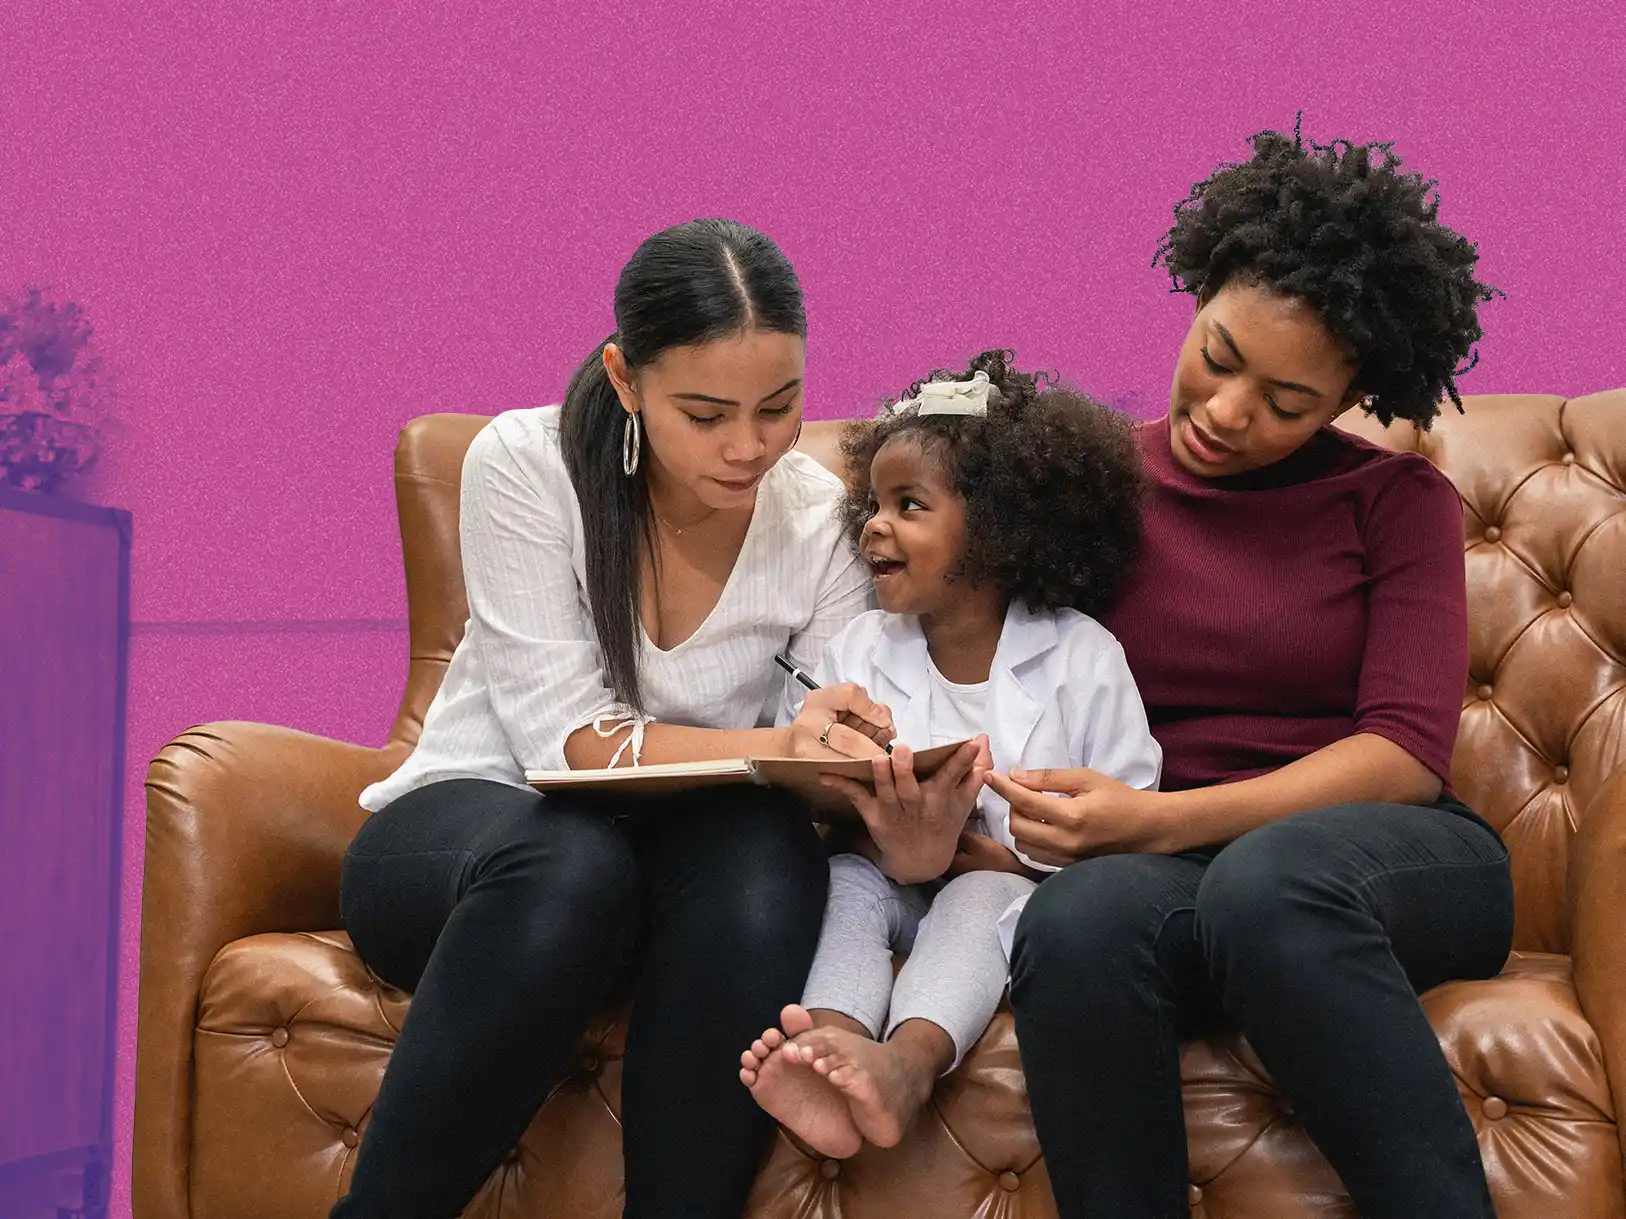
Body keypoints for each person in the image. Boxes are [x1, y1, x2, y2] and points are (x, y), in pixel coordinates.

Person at [330, 218, 978, 1219]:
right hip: (472, 850)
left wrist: (870, 774)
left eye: (779, 406)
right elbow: (567, 744)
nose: (749, 446)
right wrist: (782, 740)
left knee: (768, 852)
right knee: (573, 863)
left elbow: (818, 754)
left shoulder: (819, 517)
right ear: (626, 379)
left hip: (674, 891)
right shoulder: (525, 462)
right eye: (707, 412)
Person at [992, 124, 1515, 1219]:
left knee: (1270, 883)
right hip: (1183, 880)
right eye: (1220, 358)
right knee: (1077, 924)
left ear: (1347, 399)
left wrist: (1155, 822)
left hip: (1389, 862)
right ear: (1195, 297)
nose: (1228, 414)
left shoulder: (1396, 504)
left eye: (1286, 404)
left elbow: (1404, 757)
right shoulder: (1082, 480)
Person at [737, 351, 1162, 1160]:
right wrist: (874, 826)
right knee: (844, 888)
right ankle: (831, 1053)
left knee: (975, 903)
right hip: (882, 873)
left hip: (1007, 888)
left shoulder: (1082, 657)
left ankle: (905, 1063)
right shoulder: (857, 648)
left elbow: (1126, 826)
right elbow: (811, 798)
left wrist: (979, 855)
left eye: (909, 504)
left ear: (999, 533)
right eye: (872, 502)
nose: (872, 525)